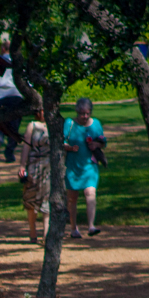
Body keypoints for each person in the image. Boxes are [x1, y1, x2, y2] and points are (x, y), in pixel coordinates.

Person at [61, 97, 105, 238]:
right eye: (82, 113)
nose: (85, 116)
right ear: (77, 111)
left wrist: (96, 145)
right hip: (72, 166)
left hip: (90, 165)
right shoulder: (69, 123)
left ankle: (91, 226)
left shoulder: (96, 123)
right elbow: (61, 142)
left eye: (87, 113)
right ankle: (74, 229)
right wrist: (69, 148)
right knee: (72, 198)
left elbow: (103, 141)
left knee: (90, 193)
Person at [19, 117, 50, 241]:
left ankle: (46, 234)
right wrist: (22, 165)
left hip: (49, 167)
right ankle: (32, 230)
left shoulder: (55, 124)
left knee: (48, 198)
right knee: (31, 200)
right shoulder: (32, 125)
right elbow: (26, 147)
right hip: (34, 166)